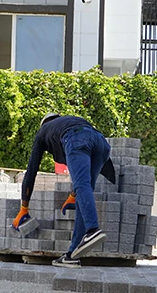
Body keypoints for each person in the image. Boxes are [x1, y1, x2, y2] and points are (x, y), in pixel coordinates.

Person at [15, 113, 114, 268]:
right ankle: (72, 255)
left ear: (44, 124)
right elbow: (89, 141)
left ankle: (93, 230)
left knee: (82, 185)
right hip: (101, 142)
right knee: (84, 190)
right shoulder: (68, 121)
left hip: (76, 138)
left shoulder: (42, 132)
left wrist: (24, 208)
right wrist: (73, 195)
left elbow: (31, 171)